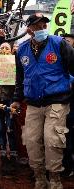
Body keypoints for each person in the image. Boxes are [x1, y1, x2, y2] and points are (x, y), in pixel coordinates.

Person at [11, 13, 74, 189]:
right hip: (32, 103)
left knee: (52, 139)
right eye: (38, 26)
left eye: (44, 25)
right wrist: (16, 99)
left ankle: (55, 179)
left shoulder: (59, 44)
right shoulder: (22, 50)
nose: (42, 28)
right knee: (31, 141)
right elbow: (20, 77)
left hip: (57, 101)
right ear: (29, 29)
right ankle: (39, 177)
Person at [0, 42, 17, 175]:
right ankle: (2, 153)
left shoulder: (15, 62)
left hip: (10, 99)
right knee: (0, 126)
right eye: (1, 48)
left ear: (11, 50)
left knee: (10, 127)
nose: (4, 50)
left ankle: (13, 153)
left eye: (6, 48)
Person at [61, 33, 74, 177]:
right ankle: (64, 166)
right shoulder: (58, 59)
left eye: (68, 41)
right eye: (63, 41)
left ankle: (69, 166)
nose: (64, 43)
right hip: (60, 103)